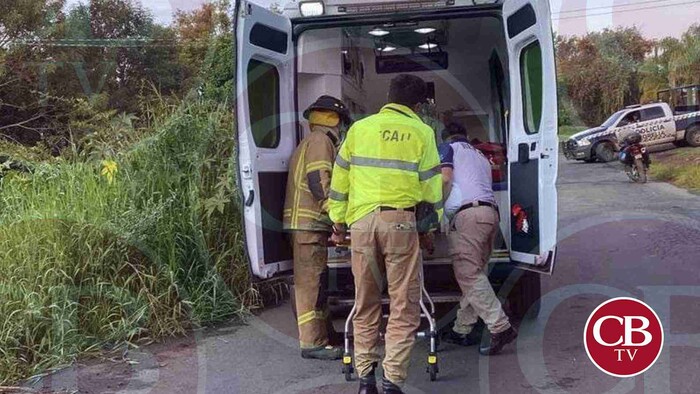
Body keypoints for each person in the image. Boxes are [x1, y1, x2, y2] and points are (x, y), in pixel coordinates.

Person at [328, 74, 443, 394]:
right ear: (418, 105)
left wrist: (338, 223)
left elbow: (340, 182)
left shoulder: (358, 130)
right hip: (400, 224)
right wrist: (430, 229)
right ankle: (391, 381)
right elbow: (432, 189)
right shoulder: (423, 132)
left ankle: (366, 381)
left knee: (365, 304)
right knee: (404, 306)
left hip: (361, 225)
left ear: (388, 97)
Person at [438, 122, 518, 355]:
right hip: (490, 216)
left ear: (447, 137)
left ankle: (500, 326)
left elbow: (445, 179)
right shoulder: (480, 156)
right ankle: (461, 329)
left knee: (468, 275)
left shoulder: (448, 149)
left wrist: (435, 210)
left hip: (469, 216)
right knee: (475, 277)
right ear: (465, 135)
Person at [283, 95, 351, 360]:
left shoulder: (311, 141)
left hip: (308, 225)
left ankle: (325, 333)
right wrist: (336, 216)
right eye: (341, 123)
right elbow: (318, 181)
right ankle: (312, 343)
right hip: (307, 226)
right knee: (310, 285)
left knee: (318, 283)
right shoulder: (321, 142)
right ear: (334, 120)